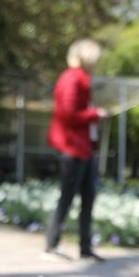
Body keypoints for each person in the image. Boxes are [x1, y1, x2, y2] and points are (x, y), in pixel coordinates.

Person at [43, 38, 110, 261]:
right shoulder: (71, 79)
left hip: (84, 148)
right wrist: (96, 114)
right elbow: (68, 114)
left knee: (88, 198)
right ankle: (51, 245)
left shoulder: (82, 80)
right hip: (72, 147)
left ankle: (85, 248)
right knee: (67, 197)